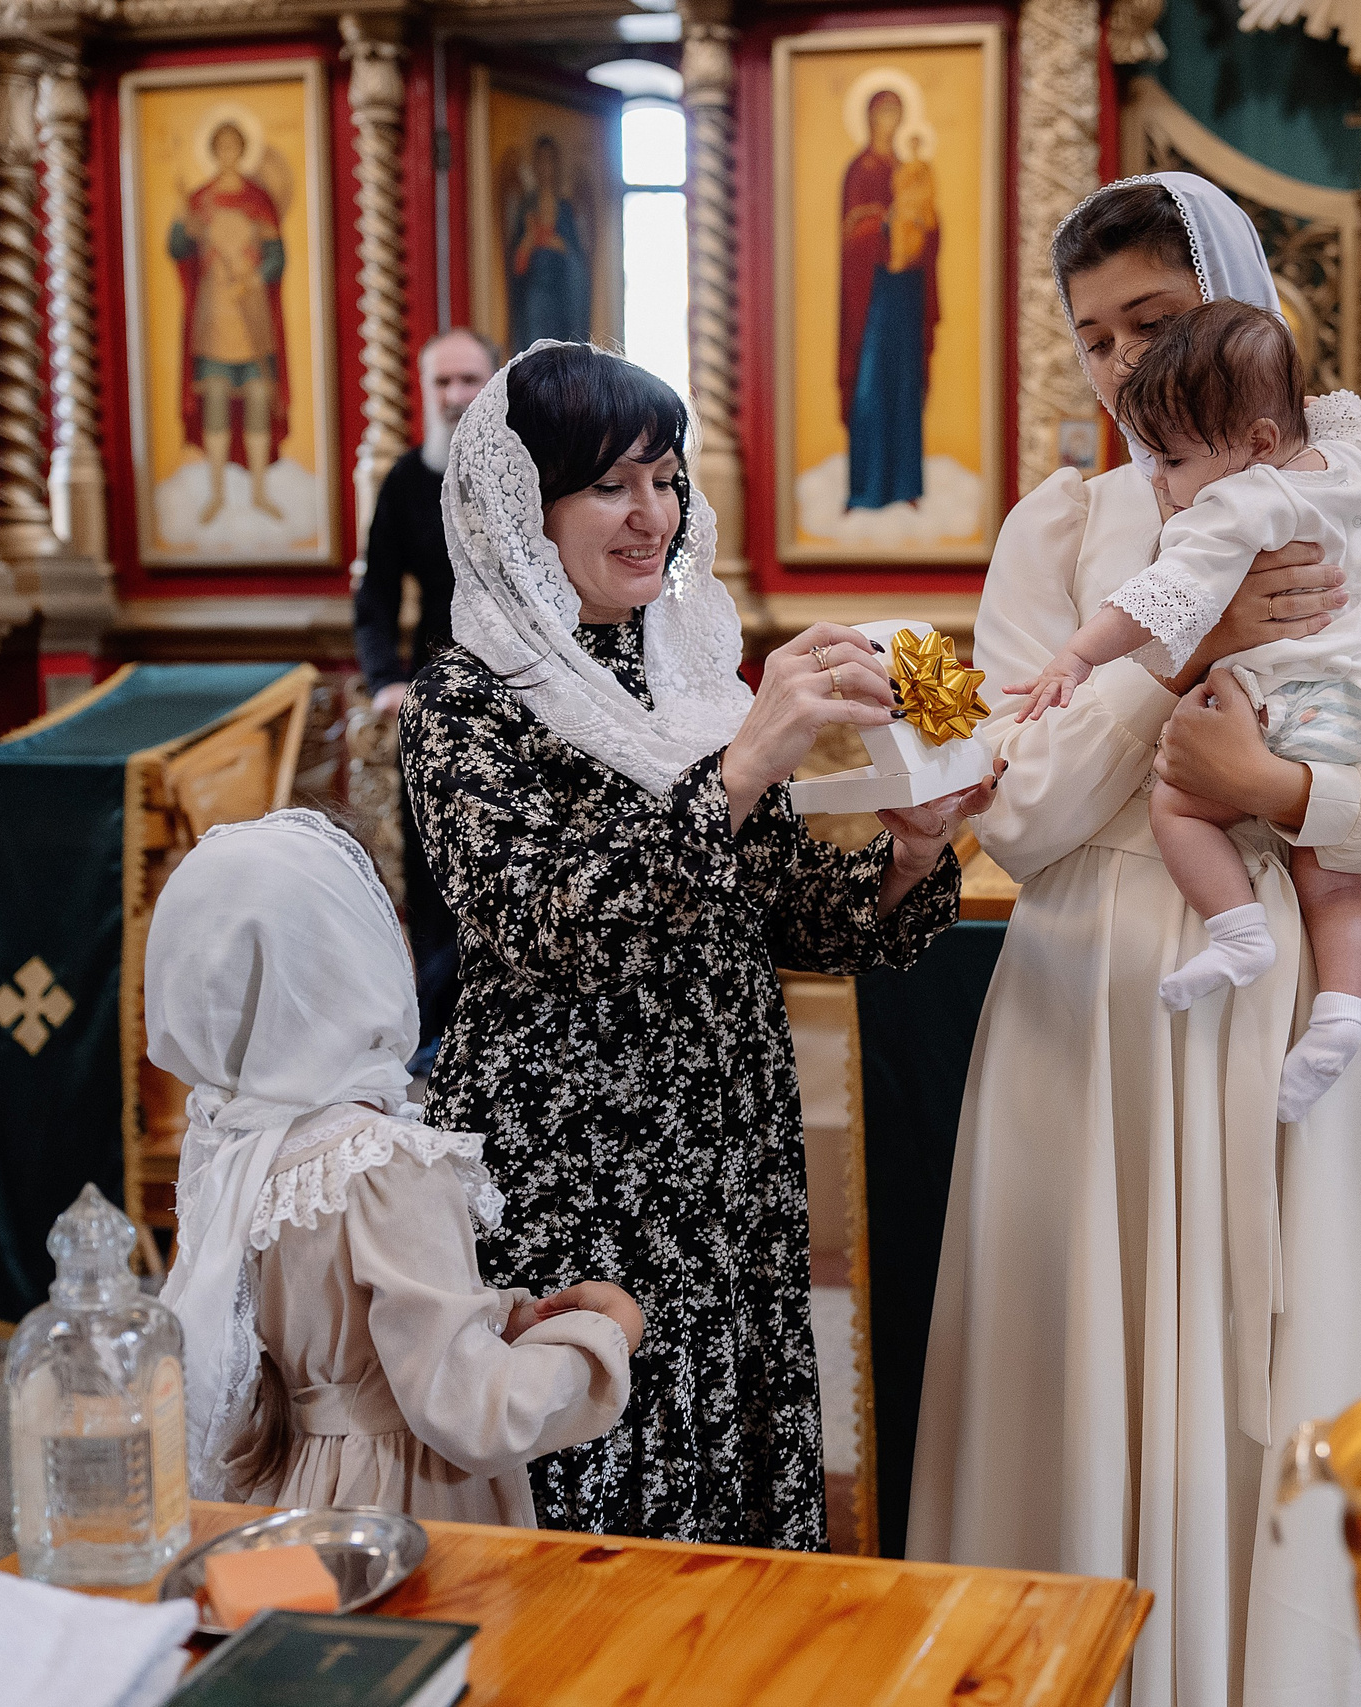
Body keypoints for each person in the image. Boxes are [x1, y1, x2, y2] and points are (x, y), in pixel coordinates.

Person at [906, 175, 1361, 1707]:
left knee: (1293, 1362)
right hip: (1099, 993)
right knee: (1098, 1378)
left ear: (1242, 315)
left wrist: (1290, 786)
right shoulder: (1056, 530)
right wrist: (1201, 637)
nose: (1122, 369)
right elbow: (1025, 811)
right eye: (1093, 338)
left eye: (1157, 324)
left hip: (1310, 986)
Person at [400, 341, 996, 1548]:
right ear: (525, 500)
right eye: (612, 485)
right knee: (599, 1467)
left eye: (667, 480)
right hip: (576, 1152)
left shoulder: (695, 681)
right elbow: (536, 921)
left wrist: (917, 853)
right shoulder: (466, 698)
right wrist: (739, 769)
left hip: (724, 1148)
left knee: (726, 1454)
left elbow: (790, 916)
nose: (651, 515)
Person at [1005, 300, 1361, 1122]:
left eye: (1154, 327)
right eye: (1095, 342)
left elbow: (1161, 599)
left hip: (1288, 711)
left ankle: (1238, 931)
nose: (1158, 479)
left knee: (1181, 800)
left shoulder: (1242, 501)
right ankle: (1344, 1016)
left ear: (1251, 441)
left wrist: (1079, 654)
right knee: (1336, 887)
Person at [148, 808, 641, 1524]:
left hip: (293, 1488)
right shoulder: (384, 1166)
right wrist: (603, 1339)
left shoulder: (237, 1150)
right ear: (355, 959)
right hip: (402, 1500)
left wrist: (500, 1318)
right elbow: (471, 1410)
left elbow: (349, 1342)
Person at [355, 327, 500, 1069]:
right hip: (434, 707)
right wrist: (385, 680)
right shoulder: (408, 480)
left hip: (521, 700)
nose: (455, 396)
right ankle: (440, 1029)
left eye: (469, 379)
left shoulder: (529, 475)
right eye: (442, 382)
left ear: (493, 381)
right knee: (435, 869)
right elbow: (376, 594)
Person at [168, 120, 289, 525]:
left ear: (241, 150)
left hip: (251, 311)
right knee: (215, 398)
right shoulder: (199, 199)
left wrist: (255, 277)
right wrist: (183, 227)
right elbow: (178, 247)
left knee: (257, 396)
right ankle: (216, 493)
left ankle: (259, 492)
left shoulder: (258, 200)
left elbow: (277, 256)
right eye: (219, 147)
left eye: (233, 146)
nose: (227, 154)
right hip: (212, 315)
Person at [839, 89, 939, 511]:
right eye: (883, 113)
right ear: (869, 118)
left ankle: (905, 486)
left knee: (905, 384)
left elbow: (933, 228)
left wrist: (920, 227)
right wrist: (885, 222)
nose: (889, 121)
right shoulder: (860, 170)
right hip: (873, 294)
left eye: (896, 113)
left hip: (907, 292)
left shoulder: (912, 169)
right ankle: (866, 487)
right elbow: (851, 233)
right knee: (871, 385)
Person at [506, 135, 594, 350]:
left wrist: (558, 245)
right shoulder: (527, 208)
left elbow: (578, 261)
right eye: (541, 161)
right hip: (535, 299)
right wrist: (529, 240)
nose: (546, 168)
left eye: (550, 161)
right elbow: (514, 266)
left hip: (564, 298)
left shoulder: (565, 209)